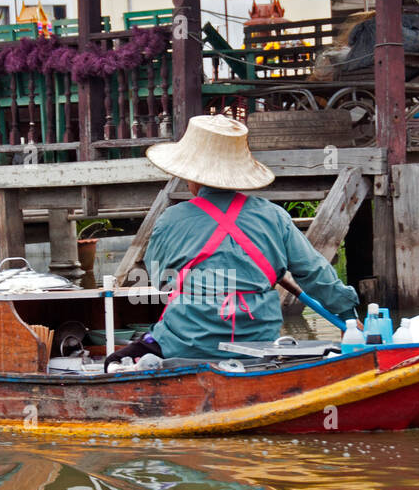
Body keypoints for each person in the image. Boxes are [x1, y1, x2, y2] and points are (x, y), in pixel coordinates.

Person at [106, 114, 358, 367]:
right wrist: (348, 316)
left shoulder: (171, 219)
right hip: (258, 344)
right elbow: (316, 273)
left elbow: (162, 281)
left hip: (187, 343)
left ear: (192, 175)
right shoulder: (274, 216)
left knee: (114, 361)